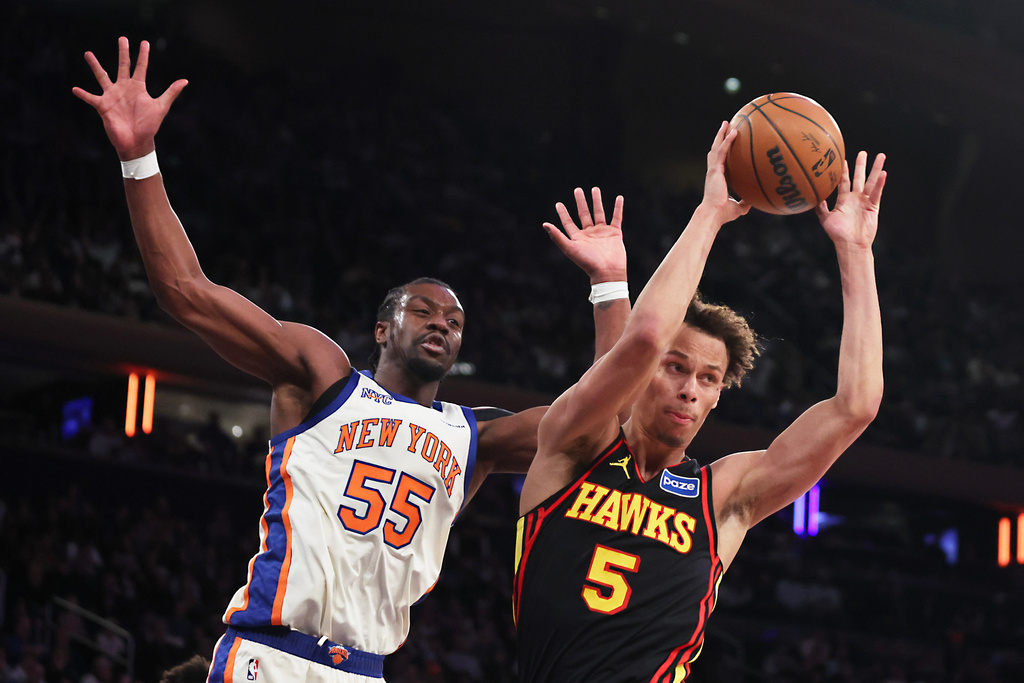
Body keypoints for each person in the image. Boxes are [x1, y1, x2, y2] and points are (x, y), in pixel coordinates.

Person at [73, 38, 630, 682]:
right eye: (424, 311)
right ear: (383, 327)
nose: (442, 323)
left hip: (365, 669)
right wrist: (138, 157)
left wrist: (609, 286)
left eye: (454, 321)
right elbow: (187, 292)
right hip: (271, 652)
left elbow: (600, 421)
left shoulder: (476, 434)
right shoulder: (322, 375)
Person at [512, 124, 886, 682]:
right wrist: (711, 212)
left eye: (709, 378)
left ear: (716, 397)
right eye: (677, 367)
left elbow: (856, 406)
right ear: (645, 374)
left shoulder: (722, 498)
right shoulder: (574, 446)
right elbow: (642, 339)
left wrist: (855, 251)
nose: (691, 387)